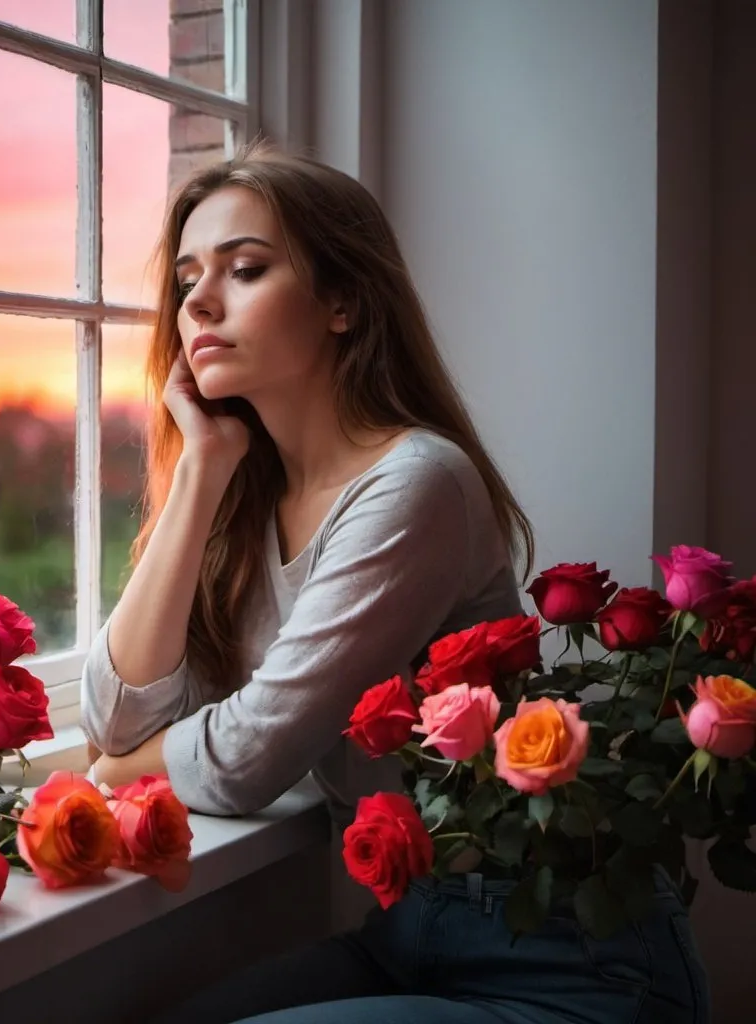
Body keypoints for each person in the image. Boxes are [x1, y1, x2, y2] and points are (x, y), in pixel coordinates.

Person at [79, 143, 710, 1024]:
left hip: (567, 964)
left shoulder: (415, 484)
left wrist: (118, 767)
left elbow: (247, 758)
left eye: (246, 268)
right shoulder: (245, 499)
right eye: (187, 278)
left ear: (343, 302)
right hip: (407, 936)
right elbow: (116, 718)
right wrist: (199, 473)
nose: (198, 302)